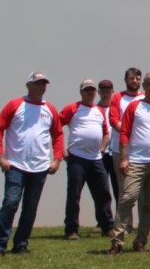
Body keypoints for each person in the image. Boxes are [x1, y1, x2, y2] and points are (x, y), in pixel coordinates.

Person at [0, 71, 64, 256]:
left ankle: (21, 244)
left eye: (43, 84)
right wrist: (0, 157)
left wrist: (56, 159)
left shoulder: (50, 109)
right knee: (10, 203)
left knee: (30, 208)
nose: (41, 87)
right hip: (15, 165)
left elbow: (58, 134)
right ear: (28, 85)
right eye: (37, 83)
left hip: (40, 168)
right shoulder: (15, 104)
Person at [107, 72, 150, 255]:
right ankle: (117, 242)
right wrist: (123, 158)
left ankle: (140, 241)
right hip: (136, 162)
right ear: (144, 86)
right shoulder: (135, 107)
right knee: (127, 199)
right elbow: (124, 133)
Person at [59, 79, 113, 240]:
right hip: (77, 158)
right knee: (74, 194)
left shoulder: (99, 111)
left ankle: (107, 226)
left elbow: (105, 133)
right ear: (81, 92)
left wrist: (102, 149)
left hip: (96, 158)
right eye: (86, 90)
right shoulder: (72, 108)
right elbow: (56, 127)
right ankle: (71, 229)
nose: (90, 92)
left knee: (103, 193)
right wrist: (61, 150)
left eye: (92, 90)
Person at [108, 68, 144, 230]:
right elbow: (114, 119)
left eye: (137, 78)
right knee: (125, 191)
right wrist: (130, 131)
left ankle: (144, 225)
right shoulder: (118, 98)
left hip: (141, 152)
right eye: (131, 78)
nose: (134, 81)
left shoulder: (145, 98)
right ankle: (125, 225)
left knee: (144, 191)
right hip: (121, 151)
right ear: (126, 80)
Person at [97, 79, 119, 223]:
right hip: (101, 154)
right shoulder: (94, 109)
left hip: (116, 152)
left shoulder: (116, 108)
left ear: (112, 91)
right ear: (99, 92)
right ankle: (103, 220)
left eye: (108, 90)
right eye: (102, 90)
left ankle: (119, 220)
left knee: (119, 188)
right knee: (102, 188)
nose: (105, 93)